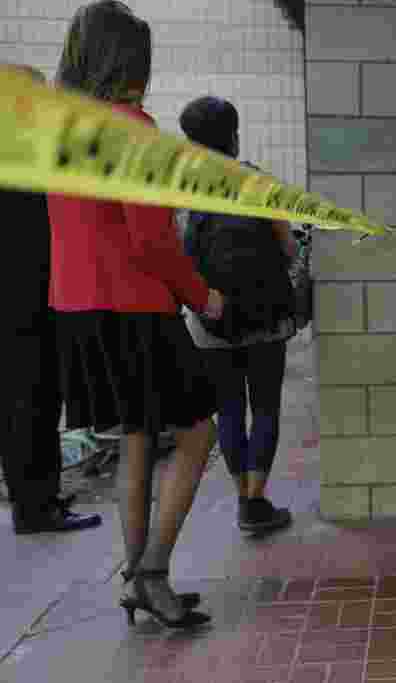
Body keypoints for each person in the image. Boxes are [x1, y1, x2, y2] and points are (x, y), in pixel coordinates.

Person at [49, 1, 223, 628]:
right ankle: (151, 571)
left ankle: (138, 576)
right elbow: (152, 241)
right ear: (130, 61)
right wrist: (203, 295)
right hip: (134, 307)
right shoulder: (131, 130)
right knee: (200, 430)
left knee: (137, 437)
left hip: (78, 309)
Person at [178, 95, 296, 534]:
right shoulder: (258, 181)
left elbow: (179, 257)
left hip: (212, 320)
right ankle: (255, 500)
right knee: (265, 408)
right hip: (267, 318)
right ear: (234, 134)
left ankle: (239, 499)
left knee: (229, 410)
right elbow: (287, 247)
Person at [0, 63, 102, 535]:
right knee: (33, 401)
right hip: (30, 300)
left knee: (23, 403)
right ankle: (37, 506)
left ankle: (34, 499)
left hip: (23, 297)